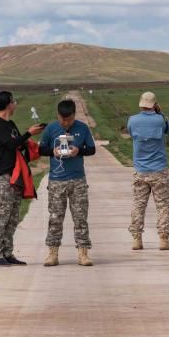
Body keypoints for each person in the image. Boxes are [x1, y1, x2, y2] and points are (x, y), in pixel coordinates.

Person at [0, 90, 45, 266]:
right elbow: (11, 143)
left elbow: (18, 146)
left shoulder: (10, 124)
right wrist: (28, 133)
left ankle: (8, 252)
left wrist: (31, 145)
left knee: (12, 217)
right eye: (14, 101)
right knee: (2, 216)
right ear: (8, 104)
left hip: (15, 176)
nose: (16, 104)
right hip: (2, 177)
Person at [38, 98, 97, 267]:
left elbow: (92, 149)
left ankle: (83, 253)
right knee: (55, 218)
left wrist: (79, 151)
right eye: (63, 119)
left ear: (74, 115)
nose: (66, 123)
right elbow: (41, 149)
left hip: (78, 180)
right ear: (58, 116)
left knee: (80, 218)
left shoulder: (82, 128)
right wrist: (54, 151)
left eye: (69, 119)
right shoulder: (51, 128)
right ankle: (52, 253)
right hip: (57, 180)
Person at [127, 91, 169, 251]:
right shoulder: (160, 120)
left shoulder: (132, 121)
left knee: (138, 204)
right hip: (159, 170)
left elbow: (130, 133)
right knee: (163, 205)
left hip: (140, 170)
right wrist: (161, 113)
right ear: (154, 105)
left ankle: (136, 239)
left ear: (141, 104)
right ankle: (164, 239)